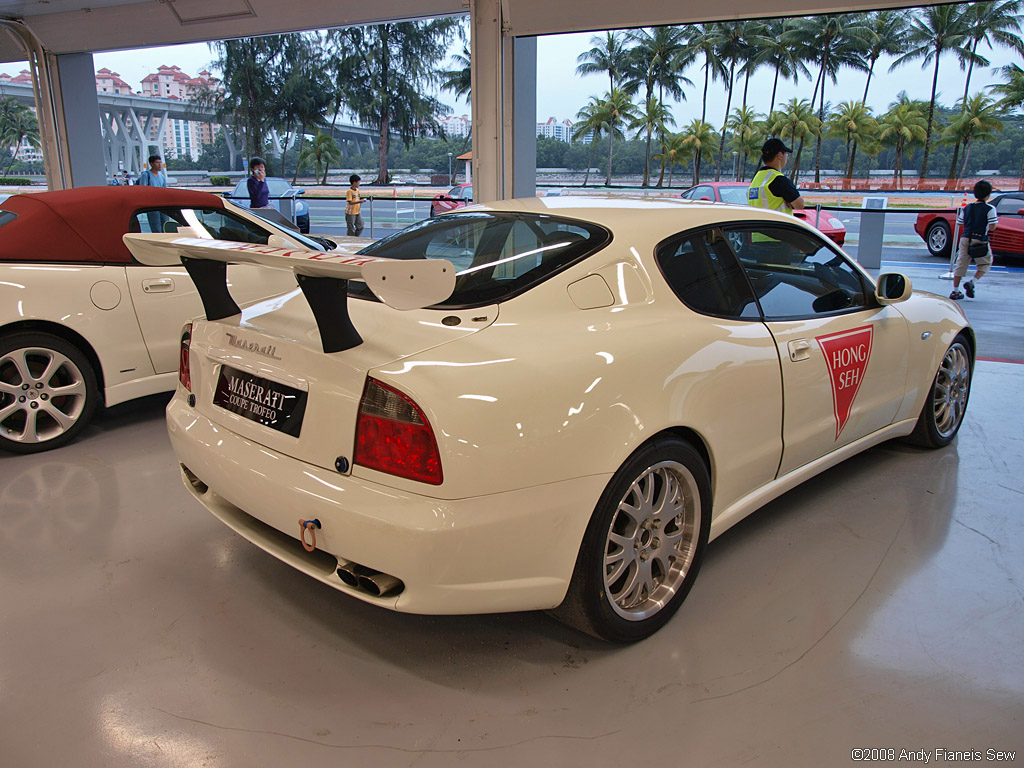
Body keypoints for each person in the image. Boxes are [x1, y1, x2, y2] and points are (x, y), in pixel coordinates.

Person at [949, 180, 997, 300]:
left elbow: (960, 222)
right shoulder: (990, 208)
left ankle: (955, 291)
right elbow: (992, 226)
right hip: (980, 239)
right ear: (988, 194)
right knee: (985, 263)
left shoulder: (968, 208)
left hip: (965, 237)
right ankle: (972, 282)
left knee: (961, 264)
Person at [747, 138, 805, 214]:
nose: (786, 157)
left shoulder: (757, 178)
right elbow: (800, 205)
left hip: (758, 224)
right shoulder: (779, 179)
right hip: (778, 224)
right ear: (780, 155)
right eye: (786, 154)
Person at [136, 155, 168, 232]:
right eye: (157, 163)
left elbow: (164, 190)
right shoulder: (146, 175)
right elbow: (142, 189)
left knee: (165, 223)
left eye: (160, 162)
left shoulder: (162, 176)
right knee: (155, 225)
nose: (160, 165)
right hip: (152, 204)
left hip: (162, 204)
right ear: (151, 163)